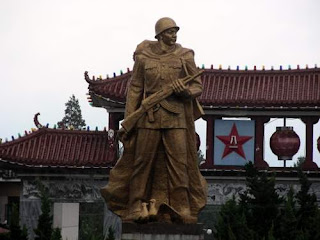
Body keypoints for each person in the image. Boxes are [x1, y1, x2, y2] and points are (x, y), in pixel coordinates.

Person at [101, 17, 207, 224]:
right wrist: (130, 118)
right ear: (159, 35)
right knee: (142, 162)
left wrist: (185, 92)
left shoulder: (185, 56)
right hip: (148, 118)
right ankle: (135, 206)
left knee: (179, 163)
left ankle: (181, 206)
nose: (174, 35)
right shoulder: (144, 58)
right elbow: (135, 89)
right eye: (169, 32)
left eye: (175, 31)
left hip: (176, 117)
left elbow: (197, 86)